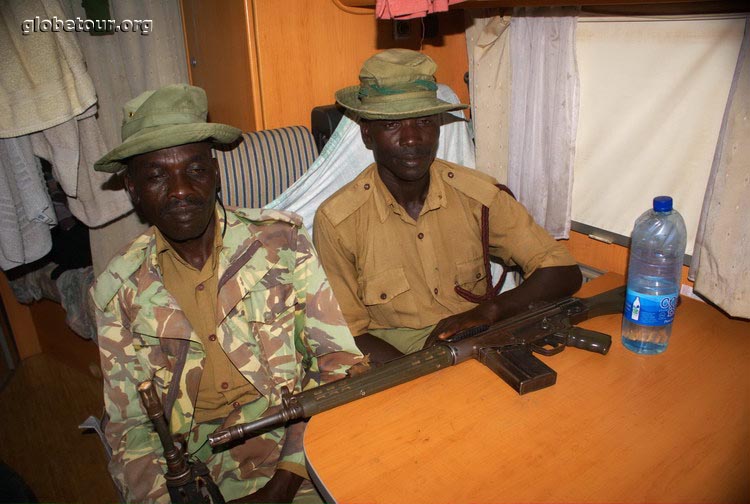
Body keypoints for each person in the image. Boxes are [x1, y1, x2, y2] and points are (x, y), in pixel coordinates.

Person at [91, 84, 363, 503]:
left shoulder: (282, 242)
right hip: (194, 470)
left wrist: (285, 482)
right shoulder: (117, 291)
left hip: (304, 446)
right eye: (157, 176)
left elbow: (338, 365)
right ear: (133, 189)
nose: (181, 190)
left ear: (215, 174)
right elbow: (130, 428)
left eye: (195, 170)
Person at [313, 49, 582, 362]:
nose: (412, 139)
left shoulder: (478, 196)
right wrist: (424, 372)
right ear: (367, 134)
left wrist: (490, 310)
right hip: (393, 357)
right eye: (392, 125)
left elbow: (563, 270)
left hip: (480, 337)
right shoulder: (338, 221)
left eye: (425, 122)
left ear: (438, 127)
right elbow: (349, 335)